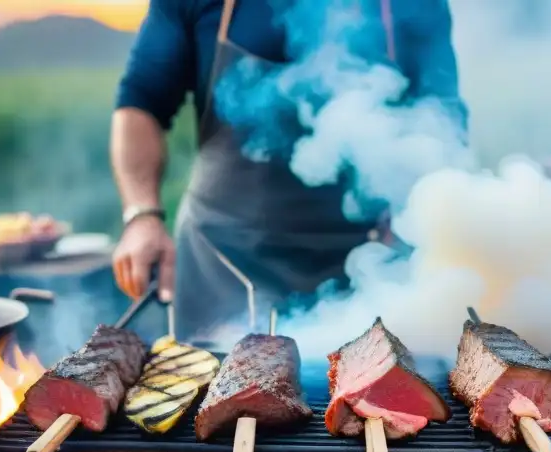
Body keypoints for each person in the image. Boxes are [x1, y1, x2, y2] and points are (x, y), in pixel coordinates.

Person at [110, 0, 466, 339]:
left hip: (366, 268)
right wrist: (143, 216)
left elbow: (441, 118)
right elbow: (140, 103)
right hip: (223, 264)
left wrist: (429, 223)